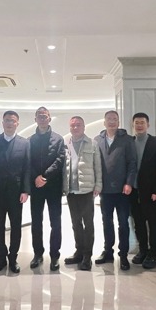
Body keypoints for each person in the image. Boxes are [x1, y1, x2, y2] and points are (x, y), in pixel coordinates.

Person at [0, 110, 31, 274]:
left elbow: (27, 168)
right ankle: (1, 258)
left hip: (16, 193)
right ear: (2, 123)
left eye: (12, 120)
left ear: (17, 123)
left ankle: (13, 258)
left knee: (16, 227)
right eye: (7, 120)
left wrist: (25, 190)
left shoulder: (24, 143)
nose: (9, 123)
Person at [94, 110, 137, 271]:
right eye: (109, 119)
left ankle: (123, 255)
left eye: (115, 119)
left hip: (122, 191)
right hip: (105, 190)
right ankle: (108, 252)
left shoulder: (127, 140)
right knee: (107, 223)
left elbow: (132, 163)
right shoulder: (97, 140)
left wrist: (129, 183)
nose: (112, 121)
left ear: (118, 122)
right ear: (104, 122)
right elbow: (94, 165)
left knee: (123, 223)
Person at [62, 116, 102, 271]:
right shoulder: (66, 144)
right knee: (76, 224)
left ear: (84, 127)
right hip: (71, 191)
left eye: (78, 125)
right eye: (72, 125)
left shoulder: (92, 144)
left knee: (88, 224)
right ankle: (78, 252)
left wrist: (98, 185)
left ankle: (87, 256)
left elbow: (98, 166)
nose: (75, 127)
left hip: (86, 190)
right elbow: (64, 168)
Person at [129, 112, 156, 270]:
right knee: (138, 223)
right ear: (133, 125)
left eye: (142, 122)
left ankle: (153, 253)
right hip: (134, 190)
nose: (139, 125)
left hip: (151, 192)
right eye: (137, 123)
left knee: (154, 223)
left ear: (148, 125)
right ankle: (143, 250)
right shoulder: (130, 142)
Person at [28, 107, 65, 271]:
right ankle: (38, 254)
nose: (42, 119)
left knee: (55, 222)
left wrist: (45, 176)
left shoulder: (58, 139)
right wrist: (37, 177)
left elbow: (60, 160)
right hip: (36, 186)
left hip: (53, 186)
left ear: (49, 118)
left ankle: (55, 255)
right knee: (36, 222)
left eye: (45, 116)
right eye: (39, 116)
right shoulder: (29, 140)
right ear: (35, 119)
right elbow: (27, 161)